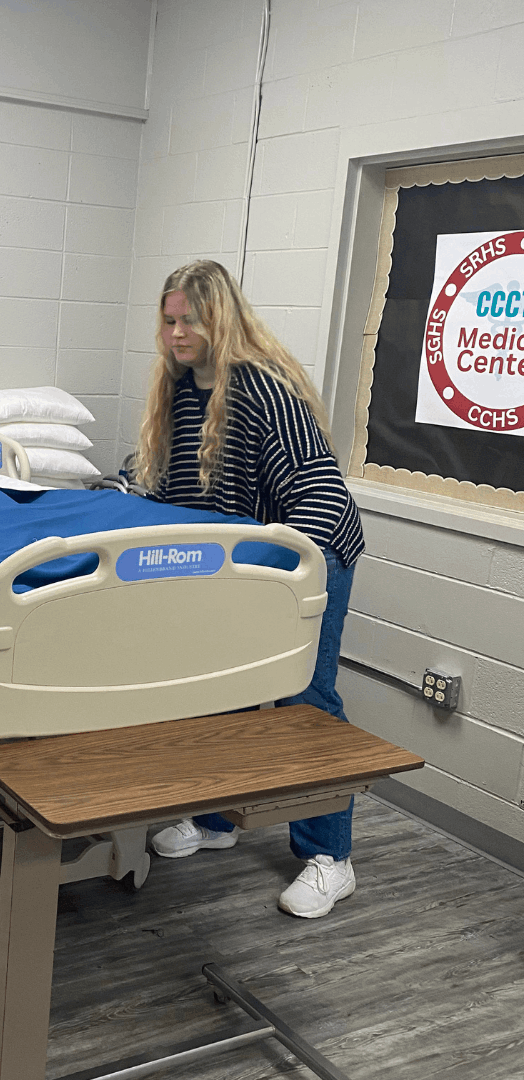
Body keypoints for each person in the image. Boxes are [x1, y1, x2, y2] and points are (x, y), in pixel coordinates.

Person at [136, 260, 364, 920]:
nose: (177, 333)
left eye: (191, 320)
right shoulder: (180, 388)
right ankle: (215, 820)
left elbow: (317, 490)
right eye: (169, 321)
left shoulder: (264, 388)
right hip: (242, 563)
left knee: (304, 696)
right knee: (216, 688)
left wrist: (279, 582)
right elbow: (177, 490)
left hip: (311, 553)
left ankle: (331, 858)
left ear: (223, 319)